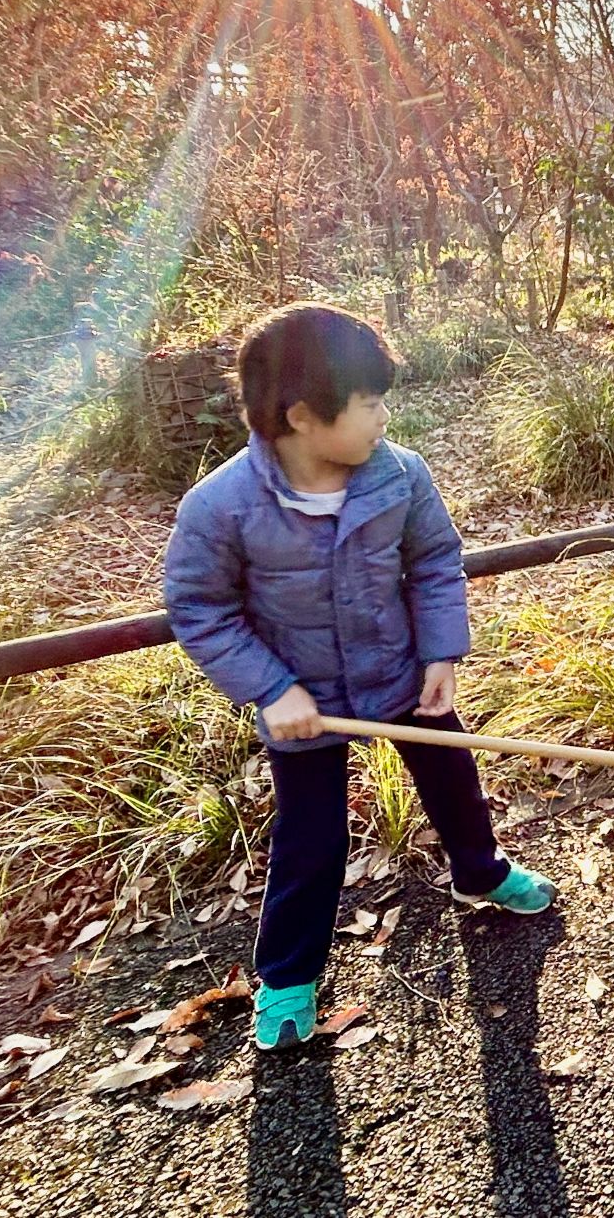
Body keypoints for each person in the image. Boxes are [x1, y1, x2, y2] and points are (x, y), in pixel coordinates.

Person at [163, 304, 556, 1052]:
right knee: (310, 840)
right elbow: (200, 608)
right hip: (305, 705)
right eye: (370, 404)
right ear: (305, 416)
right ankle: (286, 977)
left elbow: (435, 561)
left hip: (404, 678)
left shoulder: (399, 475)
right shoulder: (222, 507)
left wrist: (440, 653)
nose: (383, 419)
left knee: (455, 784)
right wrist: (273, 690)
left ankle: (480, 871)